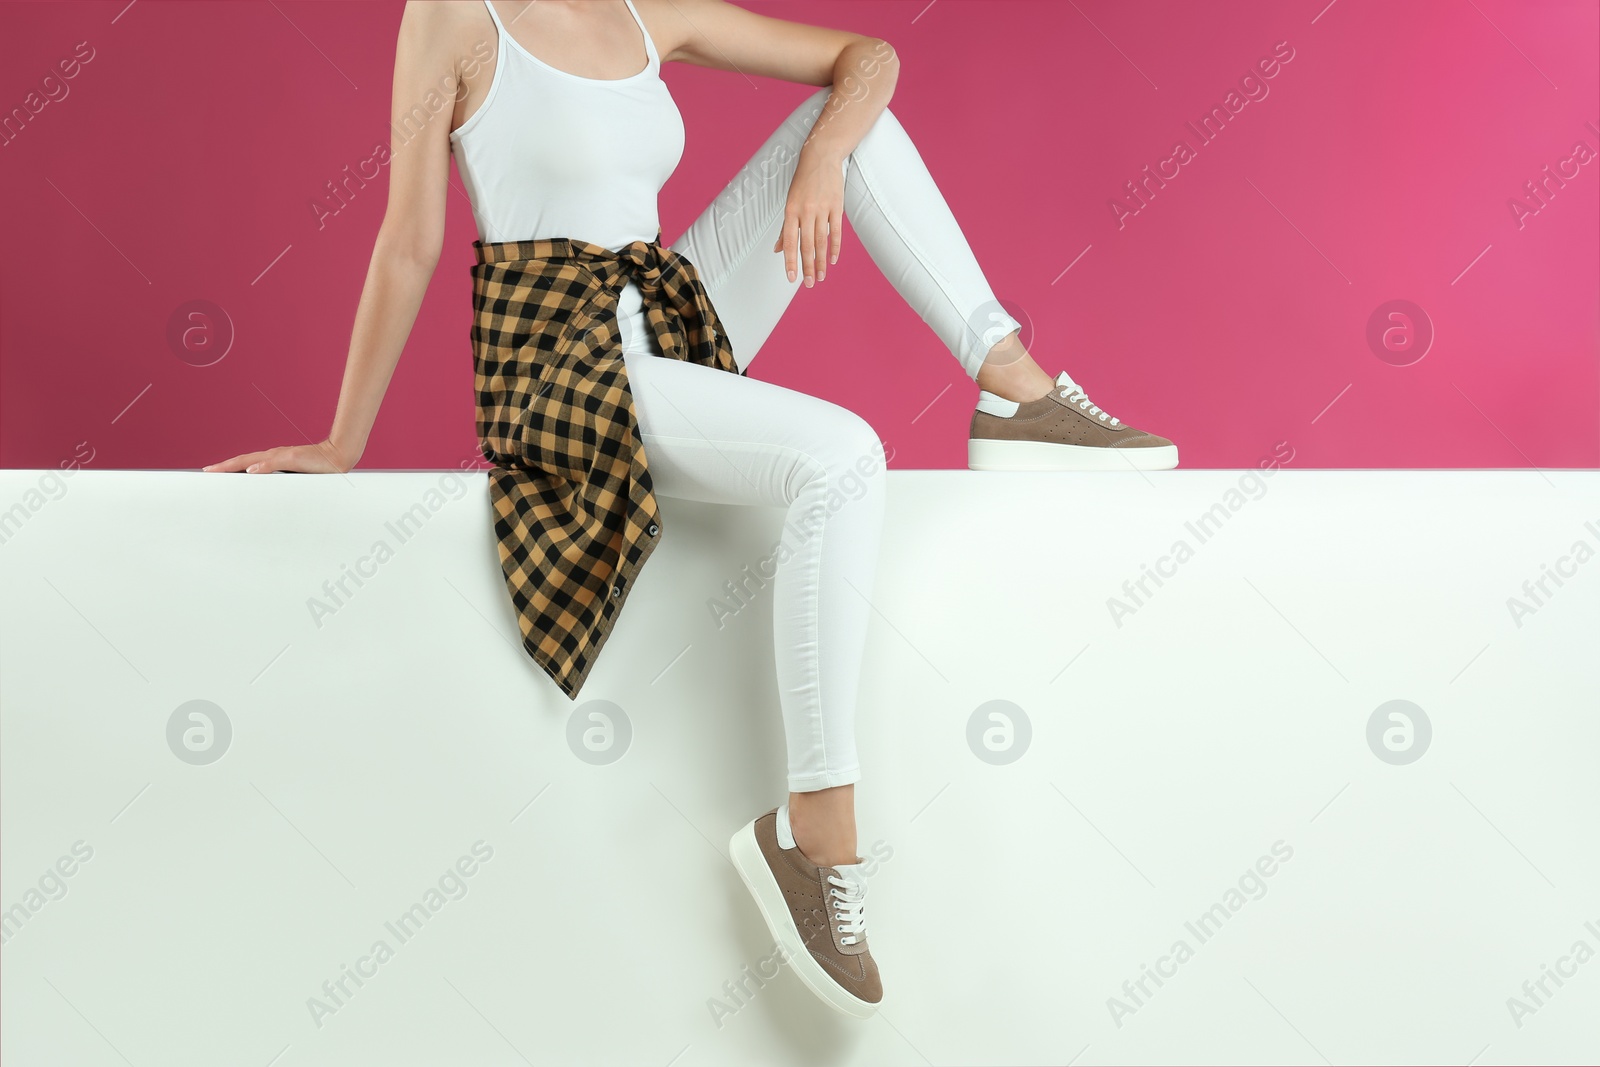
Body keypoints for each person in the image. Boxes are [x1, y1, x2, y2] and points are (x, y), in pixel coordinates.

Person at [202, 0, 1177, 1018]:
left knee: (858, 121)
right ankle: (815, 830)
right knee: (842, 457)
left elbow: (869, 57)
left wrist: (826, 156)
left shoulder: (644, 8)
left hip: (661, 312)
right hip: (559, 366)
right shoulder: (453, 17)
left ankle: (1013, 388)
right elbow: (409, 240)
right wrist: (341, 441)